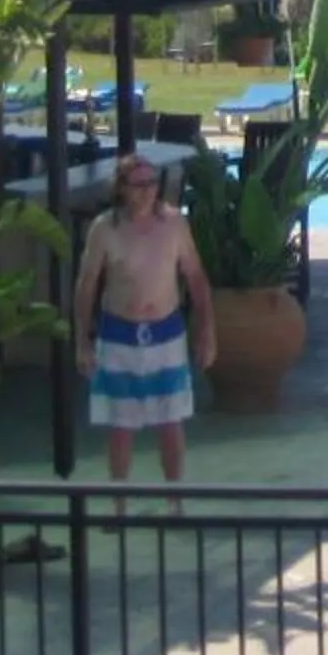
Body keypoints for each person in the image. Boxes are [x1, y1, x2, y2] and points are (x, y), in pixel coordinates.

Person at [74, 156, 216, 485]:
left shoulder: (174, 225)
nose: (147, 191)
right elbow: (86, 285)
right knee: (122, 428)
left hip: (165, 333)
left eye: (152, 183)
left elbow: (195, 277)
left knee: (171, 424)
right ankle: (119, 505)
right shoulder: (105, 229)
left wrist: (207, 331)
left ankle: (174, 501)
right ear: (122, 188)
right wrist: (83, 340)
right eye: (139, 184)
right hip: (119, 335)